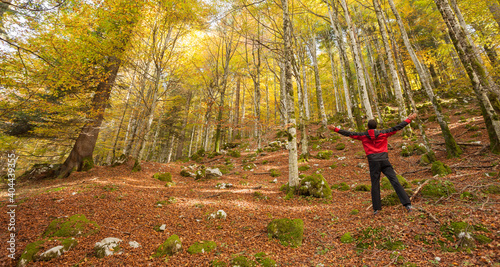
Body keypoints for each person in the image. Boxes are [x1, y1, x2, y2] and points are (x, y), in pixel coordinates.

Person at [327, 113, 418, 215]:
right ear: (376, 126)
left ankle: (376, 209)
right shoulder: (384, 133)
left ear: (368, 127)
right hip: (384, 160)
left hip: (373, 162)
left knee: (375, 184)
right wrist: (409, 119)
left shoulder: (363, 136)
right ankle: (407, 205)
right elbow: (397, 127)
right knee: (395, 181)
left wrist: (335, 129)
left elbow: (349, 133)